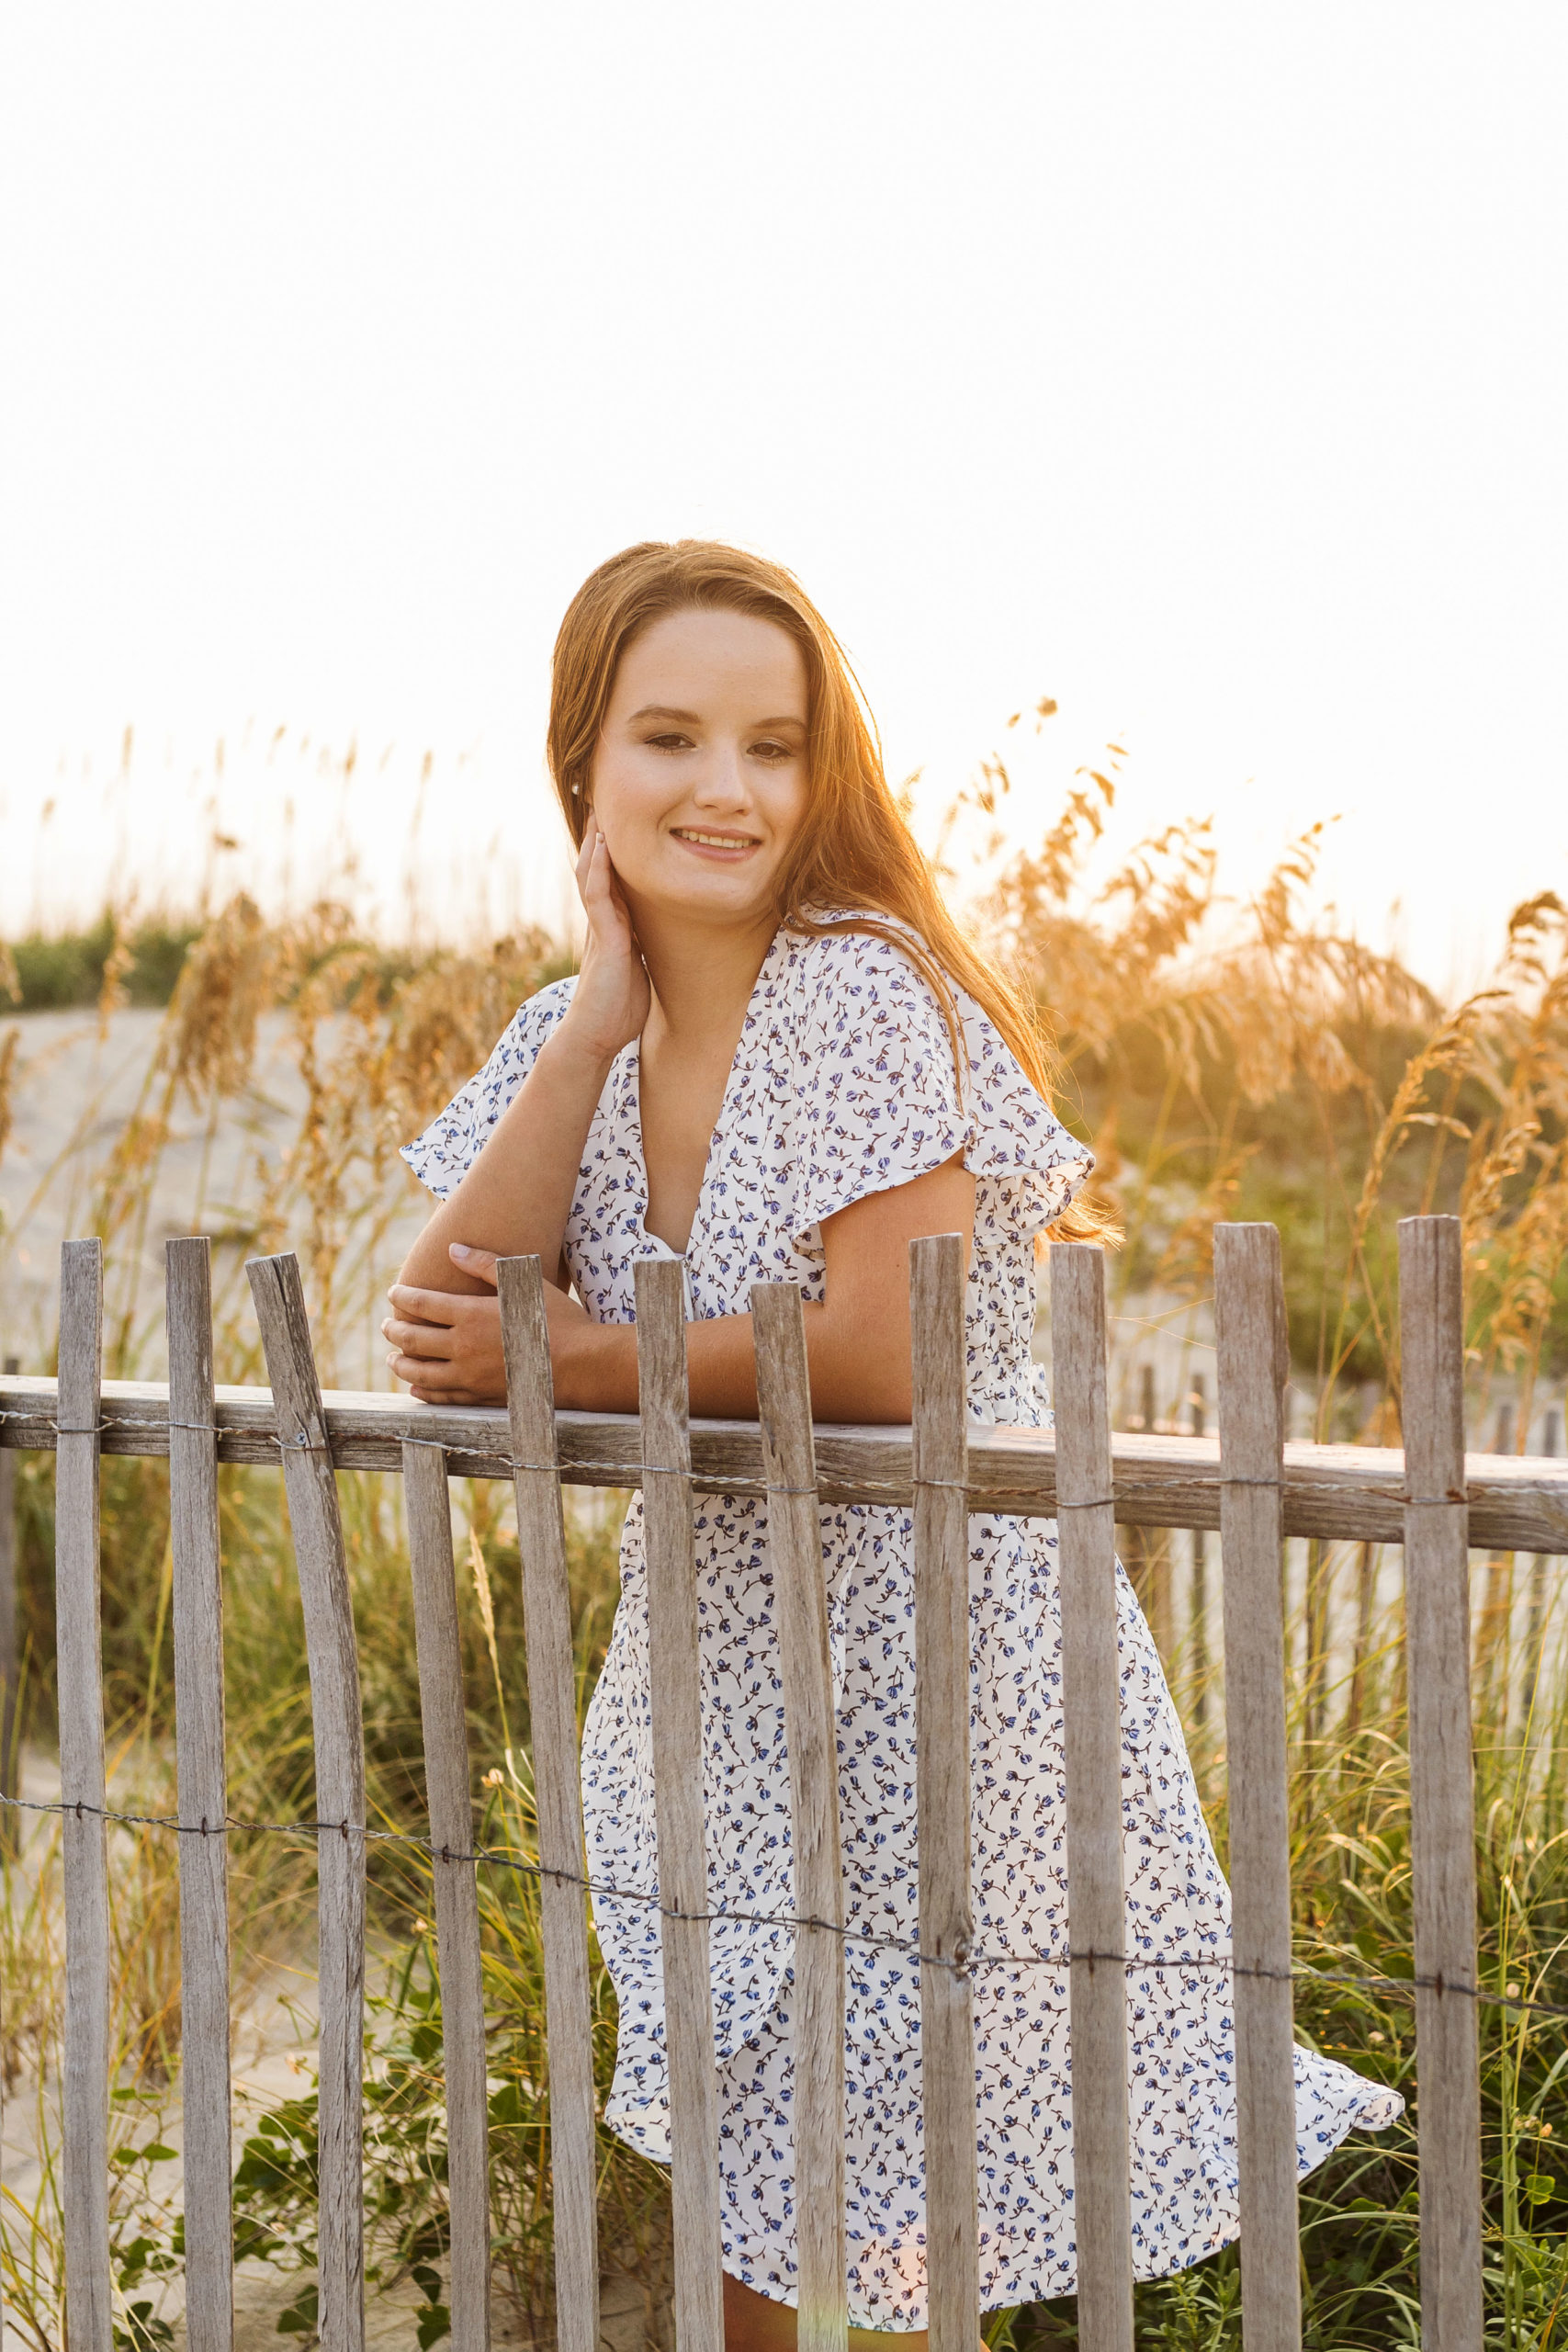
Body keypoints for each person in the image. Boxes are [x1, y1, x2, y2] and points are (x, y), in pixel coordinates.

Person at [387, 541, 1399, 2347]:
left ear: (820, 770)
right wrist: (594, 1026)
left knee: (915, 2148)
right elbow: (448, 1318)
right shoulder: (571, 1030)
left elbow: (878, 1350)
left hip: (940, 1650)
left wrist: (587, 1351)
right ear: (581, 766)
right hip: (729, 1659)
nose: (724, 787)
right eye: (670, 737)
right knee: (749, 2121)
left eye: (772, 745)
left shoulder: (860, 981)